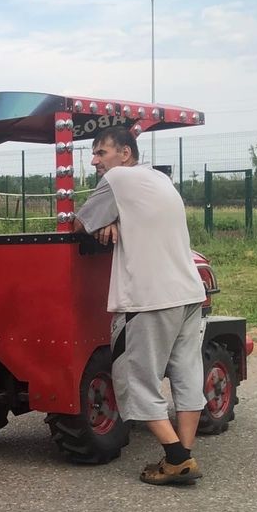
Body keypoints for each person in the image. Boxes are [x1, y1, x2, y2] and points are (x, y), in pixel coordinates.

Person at [74, 124, 208, 486]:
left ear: (125, 154)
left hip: (150, 298)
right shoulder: (161, 179)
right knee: (186, 375)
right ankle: (184, 453)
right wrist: (117, 218)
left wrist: (105, 221)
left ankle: (176, 459)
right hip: (189, 293)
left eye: (101, 152)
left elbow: (80, 223)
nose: (95, 161)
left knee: (134, 379)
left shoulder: (118, 178)